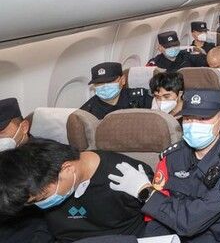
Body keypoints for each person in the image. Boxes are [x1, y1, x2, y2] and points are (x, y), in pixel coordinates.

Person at [108, 89, 220, 242]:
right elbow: (158, 215)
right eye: (188, 119)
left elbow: (193, 221)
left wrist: (145, 192)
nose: (194, 125)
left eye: (203, 118)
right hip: (179, 233)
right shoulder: (172, 156)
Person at [0, 139, 152, 242]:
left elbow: (157, 226)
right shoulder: (36, 185)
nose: (40, 204)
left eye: (42, 199)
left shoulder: (130, 177)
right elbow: (45, 225)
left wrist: (145, 192)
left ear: (67, 169)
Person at [0, 98, 52, 243]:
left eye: (1, 132)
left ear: (24, 127)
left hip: (28, 224)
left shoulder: (46, 156)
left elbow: (52, 214)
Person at [80, 62, 152, 119]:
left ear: (123, 80)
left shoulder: (142, 97)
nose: (105, 86)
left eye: (110, 81)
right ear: (94, 85)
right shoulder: (87, 111)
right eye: (99, 83)